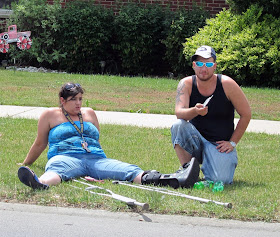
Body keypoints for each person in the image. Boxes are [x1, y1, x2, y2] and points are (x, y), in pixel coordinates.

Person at [18, 82, 200, 190]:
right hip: (65, 157)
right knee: (57, 171)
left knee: (129, 170)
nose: (78, 103)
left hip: (95, 158)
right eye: (73, 99)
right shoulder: (49, 115)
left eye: (80, 99)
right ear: (62, 101)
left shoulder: (89, 113)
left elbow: (95, 140)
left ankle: (175, 180)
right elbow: (40, 143)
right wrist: (26, 163)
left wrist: (97, 164)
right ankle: (38, 182)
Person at [171, 45, 251, 185]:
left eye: (208, 64)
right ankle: (188, 171)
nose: (204, 68)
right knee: (179, 126)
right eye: (200, 64)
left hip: (219, 144)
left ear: (214, 66)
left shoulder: (227, 84)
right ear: (194, 65)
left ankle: (214, 163)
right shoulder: (186, 84)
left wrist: (232, 142)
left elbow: (246, 114)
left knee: (221, 181)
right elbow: (179, 113)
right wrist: (195, 111)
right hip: (196, 140)